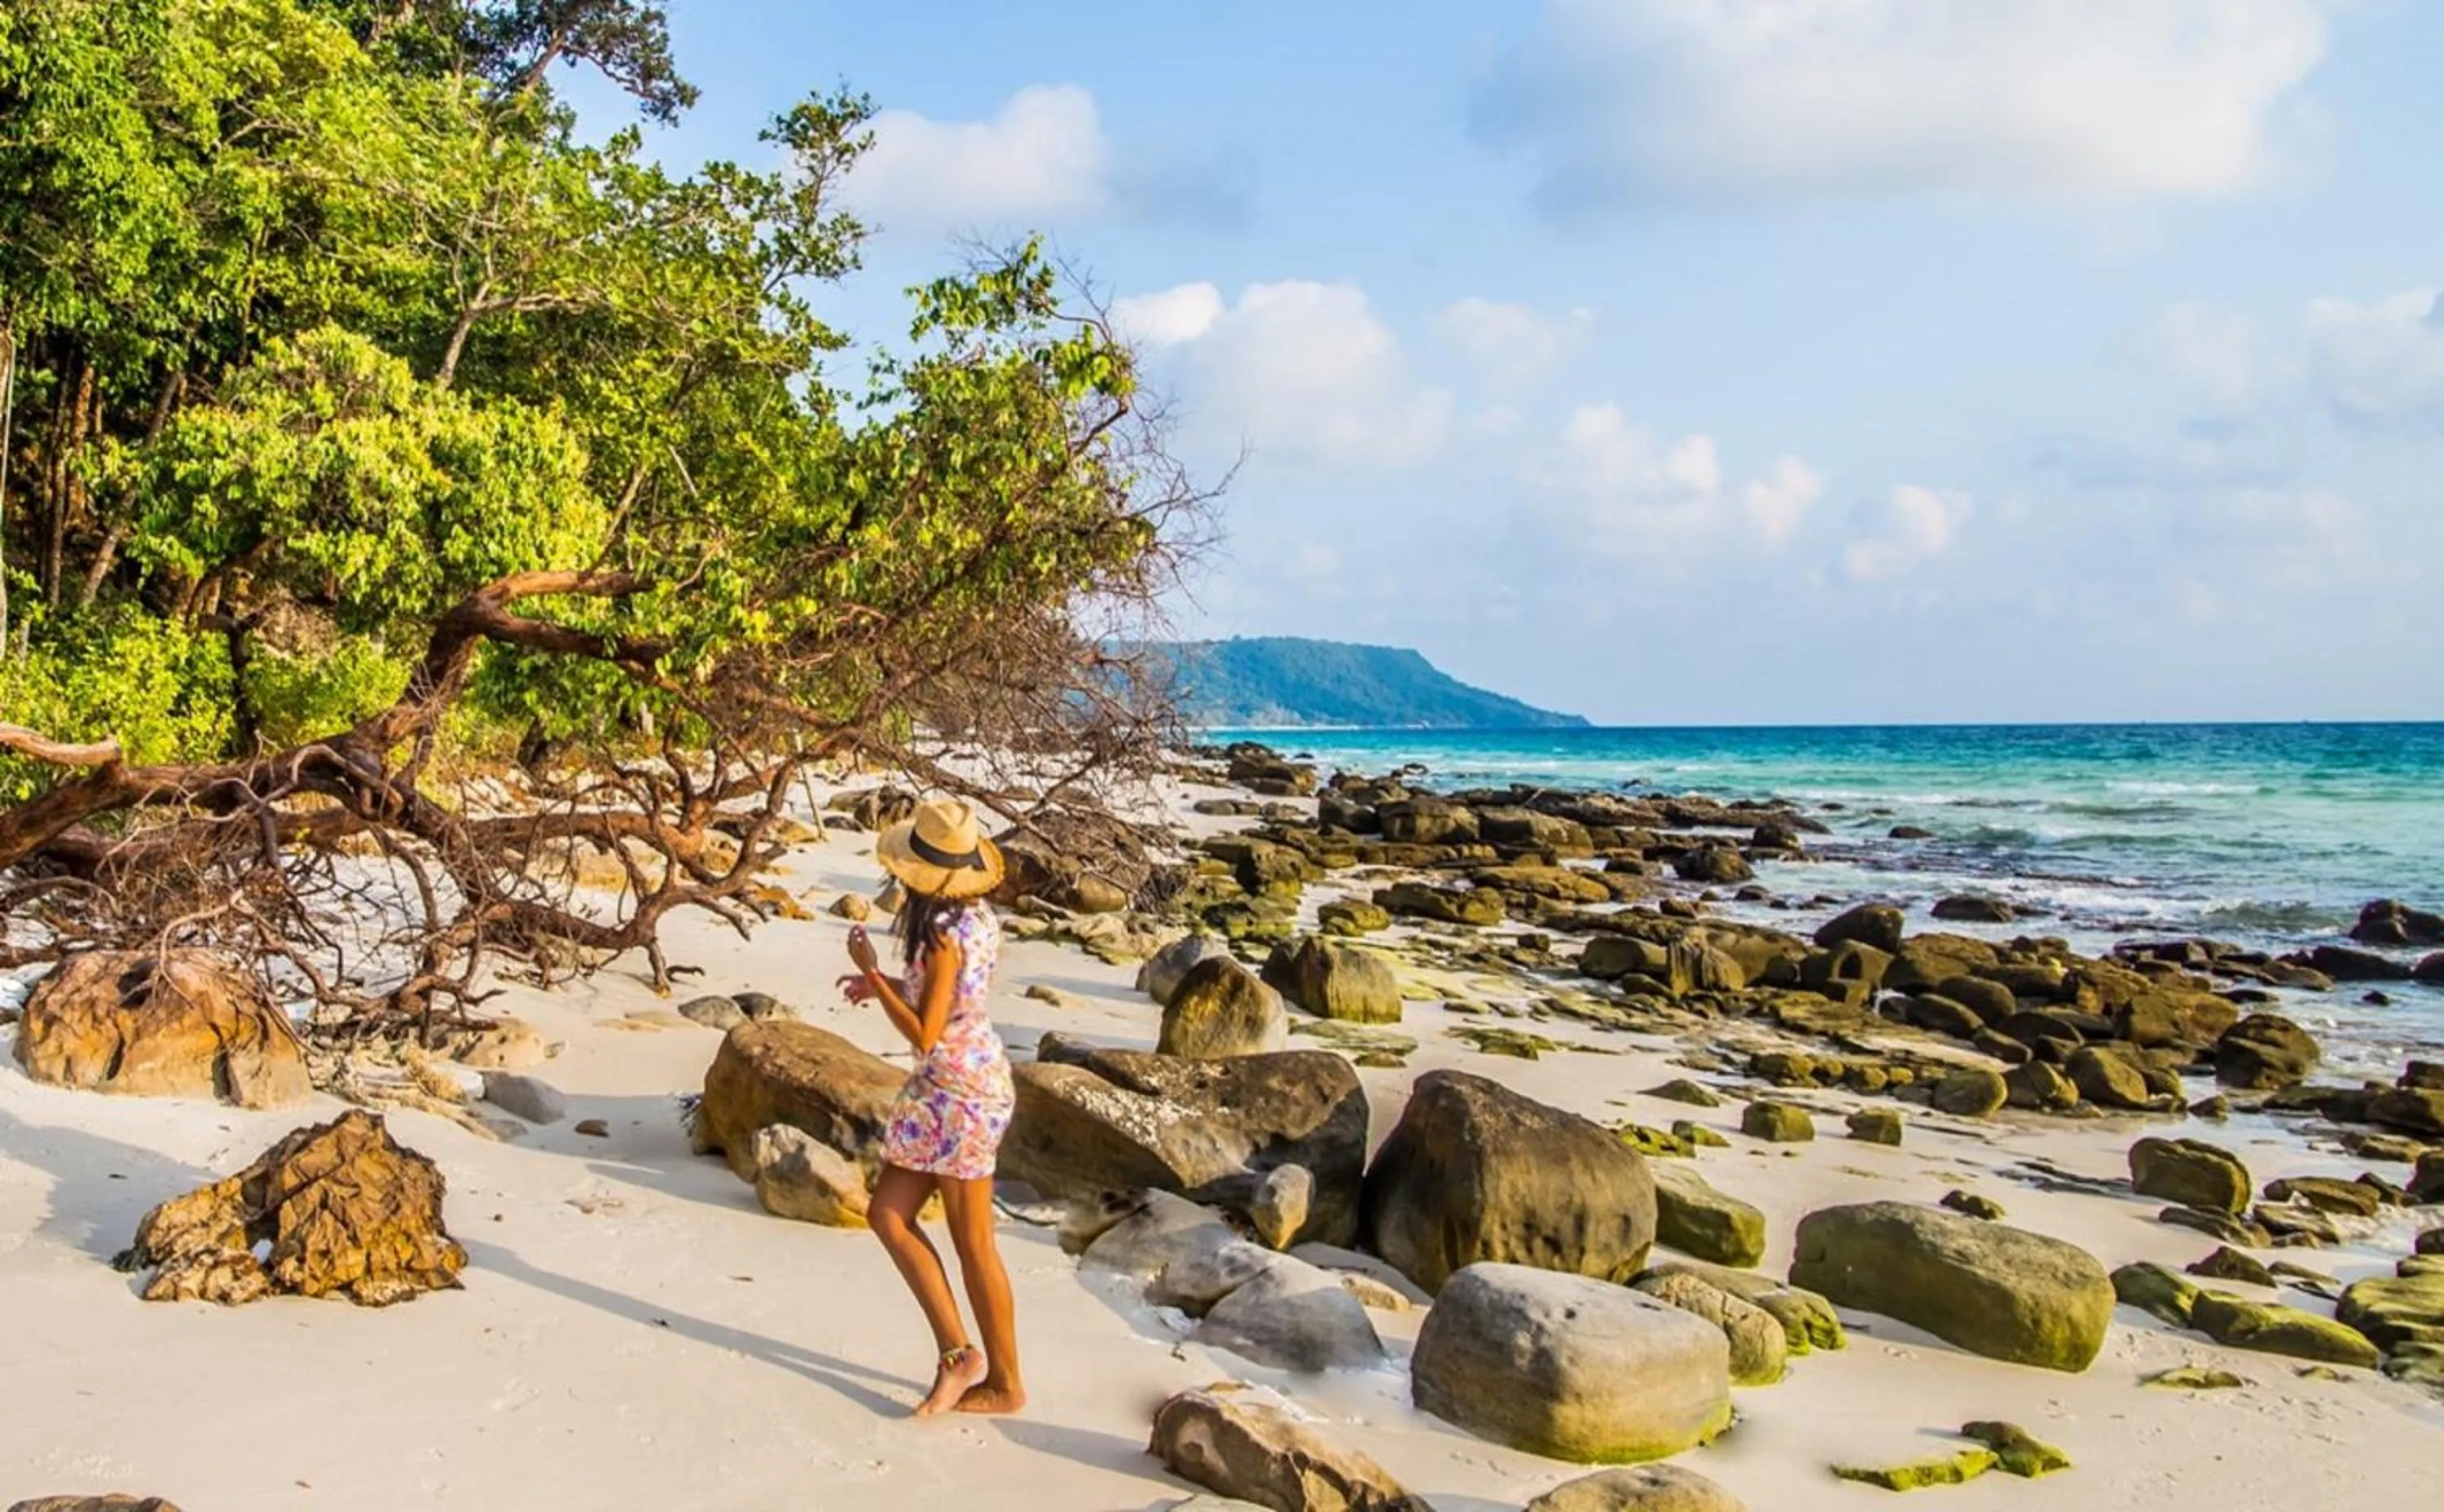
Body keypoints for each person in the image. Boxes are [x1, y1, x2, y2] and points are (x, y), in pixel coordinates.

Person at [837, 797, 1025, 1418]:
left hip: (962, 1095)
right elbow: (946, 1007)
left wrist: (872, 970)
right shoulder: (972, 917)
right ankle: (958, 1355)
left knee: (975, 1245)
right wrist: (882, 985)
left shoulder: (943, 935)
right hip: (943, 1089)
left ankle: (1005, 1384)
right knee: (889, 1216)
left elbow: (925, 1032)